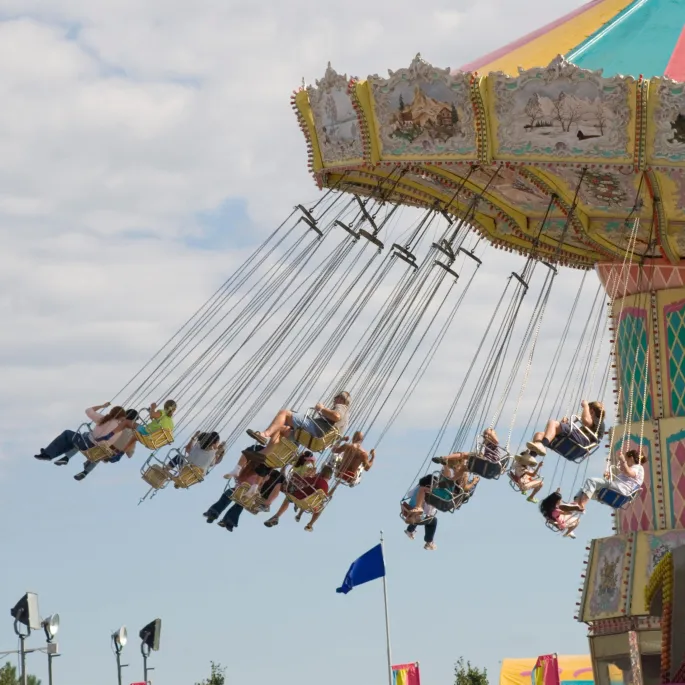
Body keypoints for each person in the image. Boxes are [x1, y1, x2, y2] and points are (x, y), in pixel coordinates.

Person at [35, 403, 131, 463]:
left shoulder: (103, 419)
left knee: (67, 434)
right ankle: (49, 454)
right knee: (72, 442)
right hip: (96, 451)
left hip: (87, 444)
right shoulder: (120, 430)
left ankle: (48, 454)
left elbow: (88, 410)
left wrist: (102, 406)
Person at [248, 391, 350, 447]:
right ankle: (264, 454)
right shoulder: (346, 420)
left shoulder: (341, 407)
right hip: (316, 439)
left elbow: (336, 416)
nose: (334, 400)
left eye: (336, 397)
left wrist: (322, 409)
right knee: (280, 428)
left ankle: (265, 435)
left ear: (341, 399)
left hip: (316, 430)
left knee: (284, 413)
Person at [72, 409, 141, 481]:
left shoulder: (116, 424)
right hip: (111, 455)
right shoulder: (132, 434)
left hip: (102, 446)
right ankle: (85, 472)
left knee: (85, 437)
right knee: (102, 452)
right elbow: (130, 455)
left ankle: (68, 456)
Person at [571, 448, 645, 511]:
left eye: (626, 459)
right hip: (618, 491)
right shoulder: (635, 468)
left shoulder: (637, 467)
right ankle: (572, 509)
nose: (626, 462)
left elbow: (629, 473)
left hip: (620, 489)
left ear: (631, 458)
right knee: (584, 489)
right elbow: (627, 476)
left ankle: (581, 506)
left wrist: (623, 460)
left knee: (591, 481)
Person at [263, 465, 334, 529]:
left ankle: (268, 506)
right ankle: (277, 516)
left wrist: (309, 475)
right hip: (308, 504)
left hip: (299, 497)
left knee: (280, 480)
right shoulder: (326, 488)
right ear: (329, 478)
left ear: (321, 473)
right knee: (289, 496)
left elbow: (302, 480)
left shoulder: (317, 479)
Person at [527, 400, 605, 457]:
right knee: (539, 435)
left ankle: (542, 445)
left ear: (591, 411)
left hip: (582, 443)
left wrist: (585, 406)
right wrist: (564, 425)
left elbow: (586, 421)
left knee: (553, 423)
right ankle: (530, 457)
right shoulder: (591, 424)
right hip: (576, 442)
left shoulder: (598, 421)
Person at [402, 484, 439, 551]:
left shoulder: (419, 486)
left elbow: (409, 494)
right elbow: (429, 512)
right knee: (433, 520)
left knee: (419, 514)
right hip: (416, 515)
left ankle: (410, 530)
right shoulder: (429, 494)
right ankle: (429, 542)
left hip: (408, 511)